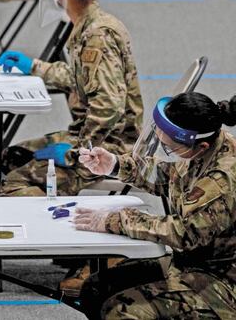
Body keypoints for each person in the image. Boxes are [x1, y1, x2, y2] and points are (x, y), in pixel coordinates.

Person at [75, 91, 236, 318]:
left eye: (169, 148)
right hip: (190, 263)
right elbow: (169, 177)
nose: (167, 151)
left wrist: (118, 220)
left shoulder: (222, 180)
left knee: (120, 311)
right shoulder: (202, 148)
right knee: (96, 288)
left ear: (201, 146)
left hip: (220, 281)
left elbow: (185, 233)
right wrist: (115, 165)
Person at [0, 0, 142, 195]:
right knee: (12, 157)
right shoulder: (90, 23)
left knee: (12, 184)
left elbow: (109, 106)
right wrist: (33, 66)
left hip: (106, 148)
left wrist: (76, 153)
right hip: (93, 137)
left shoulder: (98, 36)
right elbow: (81, 78)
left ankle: (47, 230)